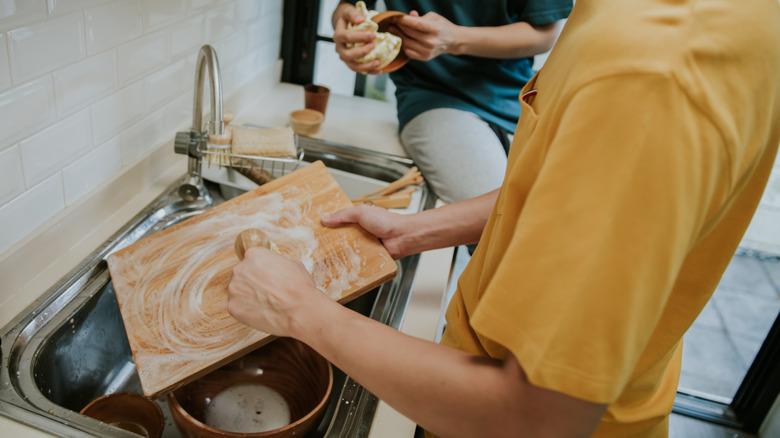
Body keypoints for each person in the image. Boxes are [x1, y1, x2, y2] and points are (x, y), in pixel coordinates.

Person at [228, 0, 780, 436]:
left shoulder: (652, 71)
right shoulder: (669, 24)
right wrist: (416, 230)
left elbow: (533, 419)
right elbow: (569, 192)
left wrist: (299, 310)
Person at [332, 0, 573, 204]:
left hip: (522, 98)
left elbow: (545, 32)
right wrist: (346, 26)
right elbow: (347, 6)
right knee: (507, 219)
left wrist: (455, 39)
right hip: (432, 95)